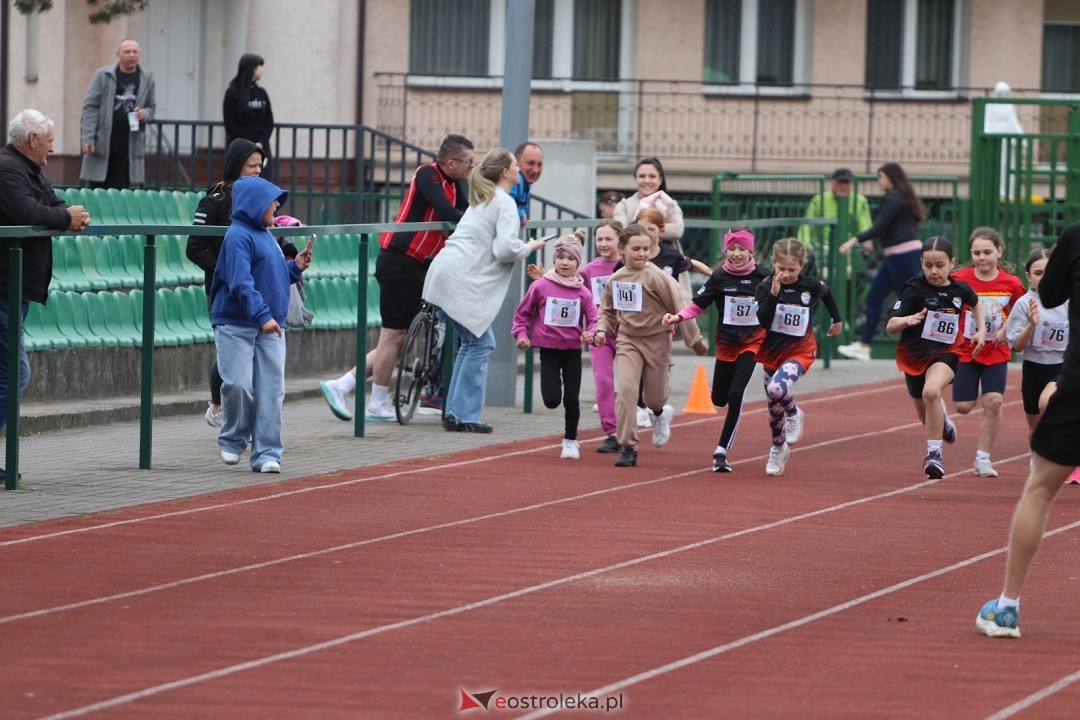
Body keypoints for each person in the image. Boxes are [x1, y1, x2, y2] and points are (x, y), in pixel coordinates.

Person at [319, 134, 473, 422]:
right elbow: (448, 213)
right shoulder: (428, 173)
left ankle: (343, 385)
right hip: (400, 260)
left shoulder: (454, 183)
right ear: (450, 162)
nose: (471, 167)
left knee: (397, 339)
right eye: (468, 162)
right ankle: (375, 403)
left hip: (419, 265)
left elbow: (464, 211)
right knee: (393, 335)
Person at [976, 221, 1080, 639]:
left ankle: (1007, 607)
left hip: (1076, 387)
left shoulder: (1075, 237)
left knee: (1039, 489)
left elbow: (1050, 293)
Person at [422, 148, 545, 433]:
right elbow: (504, 249)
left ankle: (455, 412)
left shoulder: (485, 199)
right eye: (515, 164)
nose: (519, 169)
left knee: (473, 343)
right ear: (505, 172)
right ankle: (462, 414)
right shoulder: (504, 203)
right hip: (461, 280)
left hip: (446, 273)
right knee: (481, 344)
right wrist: (529, 247)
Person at [0, 109, 92, 478]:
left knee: (8, 373)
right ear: (32, 139)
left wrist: (66, 214)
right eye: (50, 140)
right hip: (4, 286)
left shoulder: (30, 168)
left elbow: (51, 204)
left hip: (17, 286)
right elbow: (28, 210)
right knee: (15, 374)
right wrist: (64, 217)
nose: (53, 147)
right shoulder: (7, 168)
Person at [210, 175, 311, 473]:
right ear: (254, 204)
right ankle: (232, 439)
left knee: (271, 390)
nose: (278, 205)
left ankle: (267, 452)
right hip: (237, 323)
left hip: (271, 324)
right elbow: (241, 282)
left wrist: (295, 268)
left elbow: (274, 273)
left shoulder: (267, 235)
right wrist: (262, 316)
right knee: (239, 384)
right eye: (272, 200)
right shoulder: (238, 236)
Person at [664, 226, 769, 473]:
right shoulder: (720, 277)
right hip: (726, 344)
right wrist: (677, 317)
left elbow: (781, 301)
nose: (737, 254)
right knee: (718, 398)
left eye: (742, 249)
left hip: (752, 343)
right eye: (732, 249)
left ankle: (721, 451)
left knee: (735, 395)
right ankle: (719, 392)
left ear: (750, 251)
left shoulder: (765, 277)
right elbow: (697, 306)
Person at [886, 236, 984, 478]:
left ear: (951, 263)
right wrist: (907, 320)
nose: (934, 271)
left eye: (940, 265)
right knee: (924, 414)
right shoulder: (914, 288)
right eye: (928, 265)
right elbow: (890, 325)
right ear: (921, 263)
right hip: (914, 357)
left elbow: (976, 302)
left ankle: (934, 456)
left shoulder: (960, 289)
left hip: (947, 353)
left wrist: (981, 329)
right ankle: (943, 424)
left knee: (932, 392)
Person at [185, 138, 267, 428]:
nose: (257, 171)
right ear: (236, 166)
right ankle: (217, 407)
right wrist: (224, 271)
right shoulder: (214, 201)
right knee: (229, 353)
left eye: (260, 166)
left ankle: (250, 418)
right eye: (251, 166)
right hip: (222, 289)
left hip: (256, 288)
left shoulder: (263, 200)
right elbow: (194, 247)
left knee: (257, 352)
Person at [597, 224, 686, 468]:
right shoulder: (616, 279)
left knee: (654, 398)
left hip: (657, 338)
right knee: (626, 389)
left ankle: (659, 412)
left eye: (646, 249)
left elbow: (679, 307)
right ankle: (628, 446)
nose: (642, 254)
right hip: (628, 339)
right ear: (623, 249)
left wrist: (693, 339)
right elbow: (607, 311)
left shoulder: (657, 277)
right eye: (636, 249)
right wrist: (602, 329)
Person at [755, 238, 844, 476]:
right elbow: (763, 320)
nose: (786, 274)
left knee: (776, 389)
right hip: (772, 352)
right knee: (774, 410)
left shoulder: (809, 286)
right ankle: (778, 448)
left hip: (800, 350)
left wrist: (837, 320)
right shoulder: (764, 288)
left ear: (802, 265)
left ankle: (794, 413)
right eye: (781, 269)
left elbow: (827, 294)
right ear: (773, 264)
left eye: (792, 270)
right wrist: (774, 295)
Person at [512, 236, 597, 459]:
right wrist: (521, 335)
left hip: (572, 352)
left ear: (578, 263)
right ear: (554, 260)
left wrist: (592, 332)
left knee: (571, 399)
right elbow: (522, 316)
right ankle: (554, 387)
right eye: (561, 257)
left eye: (571, 258)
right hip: (548, 351)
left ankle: (570, 440)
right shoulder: (540, 286)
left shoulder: (583, 292)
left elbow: (595, 318)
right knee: (551, 401)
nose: (565, 262)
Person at [951, 227, 1026, 477]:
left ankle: (983, 458)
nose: (982, 258)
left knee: (994, 401)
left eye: (987, 252)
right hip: (965, 351)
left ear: (999, 251)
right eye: (977, 253)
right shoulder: (960, 280)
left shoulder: (1012, 284)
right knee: (962, 406)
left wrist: (1006, 330)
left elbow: (1021, 313)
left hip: (996, 351)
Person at [837, 162, 925, 361]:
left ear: (890, 178)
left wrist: (853, 240)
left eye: (880, 177)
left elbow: (879, 226)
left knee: (909, 300)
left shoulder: (894, 197)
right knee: (875, 297)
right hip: (895, 254)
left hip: (903, 254)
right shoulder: (901, 196)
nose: (879, 181)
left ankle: (924, 343)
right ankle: (863, 345)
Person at [79, 38, 156, 189]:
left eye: (135, 52)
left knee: (121, 191)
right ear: (118, 54)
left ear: (139, 54)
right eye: (127, 51)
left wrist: (143, 114)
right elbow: (90, 107)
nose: (131, 55)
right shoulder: (103, 75)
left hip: (129, 145)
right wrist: (87, 137)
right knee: (98, 190)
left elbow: (151, 108)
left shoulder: (146, 78)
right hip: (103, 143)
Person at [579, 220, 624, 453]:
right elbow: (572, 294)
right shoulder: (588, 271)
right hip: (600, 335)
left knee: (629, 385)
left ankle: (633, 423)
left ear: (620, 240)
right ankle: (612, 432)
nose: (604, 244)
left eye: (609, 239)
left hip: (629, 334)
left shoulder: (631, 267)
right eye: (599, 239)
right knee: (604, 380)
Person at [223, 54, 275, 181]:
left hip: (261, 148)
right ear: (252, 68)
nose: (263, 70)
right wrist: (248, 144)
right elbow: (230, 123)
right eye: (260, 66)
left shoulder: (261, 92)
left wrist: (261, 142)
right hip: (241, 148)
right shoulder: (233, 93)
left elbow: (269, 121)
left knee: (263, 182)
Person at [796, 168, 873, 253]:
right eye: (840, 182)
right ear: (832, 183)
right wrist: (804, 244)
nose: (843, 186)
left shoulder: (859, 201)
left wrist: (867, 240)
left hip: (849, 247)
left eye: (846, 182)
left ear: (851, 184)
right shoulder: (819, 200)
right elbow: (807, 224)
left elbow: (865, 224)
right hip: (822, 247)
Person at [508, 141, 544, 225]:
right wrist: (521, 216)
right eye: (530, 163)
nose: (536, 170)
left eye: (539, 165)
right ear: (516, 163)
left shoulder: (525, 183)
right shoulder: (515, 181)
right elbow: (506, 211)